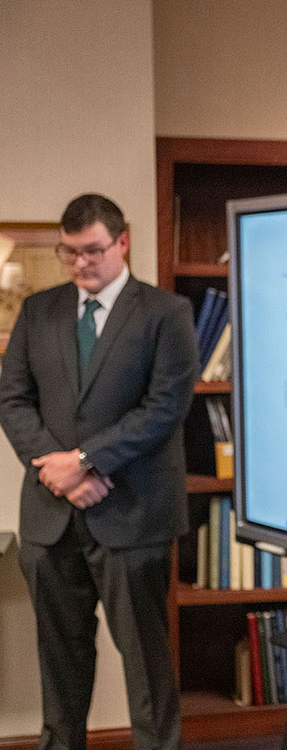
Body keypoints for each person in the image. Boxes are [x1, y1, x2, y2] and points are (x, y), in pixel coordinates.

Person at [0, 194, 198, 750]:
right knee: (59, 665)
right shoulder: (38, 310)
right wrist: (57, 471)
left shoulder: (165, 313)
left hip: (134, 515)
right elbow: (12, 399)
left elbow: (166, 407)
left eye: (92, 250)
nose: (80, 263)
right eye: (69, 252)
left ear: (122, 242)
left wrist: (86, 462)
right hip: (50, 518)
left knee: (146, 667)